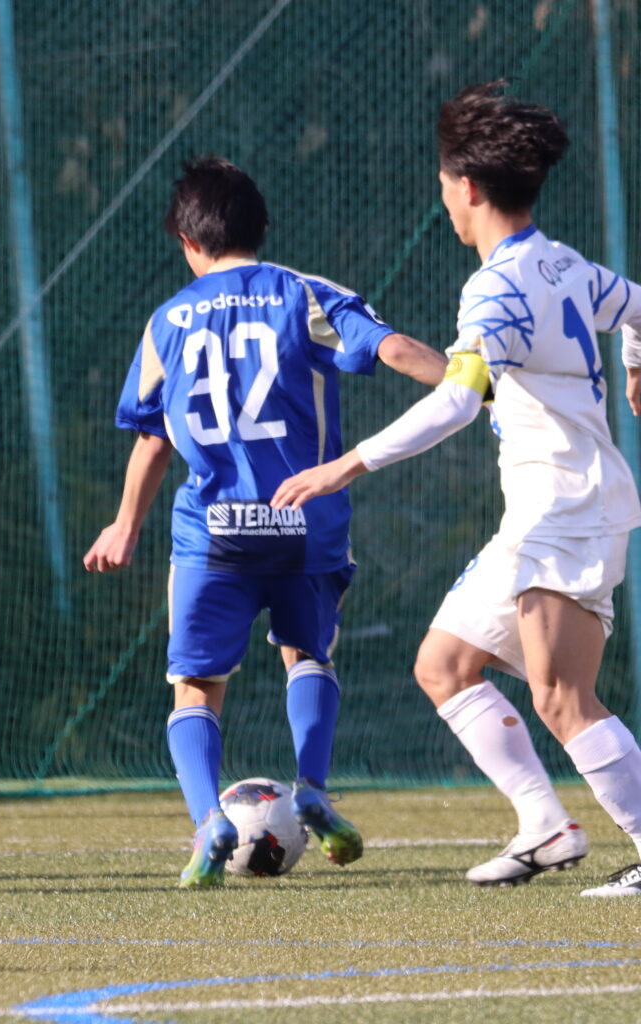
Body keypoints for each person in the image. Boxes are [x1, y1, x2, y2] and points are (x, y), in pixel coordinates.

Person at [273, 81, 641, 897]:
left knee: (562, 697)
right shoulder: (566, 264)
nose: (442, 197)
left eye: (443, 182)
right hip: (543, 514)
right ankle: (546, 827)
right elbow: (640, 310)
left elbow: (457, 401)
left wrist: (345, 464)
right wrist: (636, 364)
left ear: (466, 187)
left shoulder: (498, 286)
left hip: (566, 509)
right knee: (444, 664)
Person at [83, 157, 447, 888]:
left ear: (187, 241)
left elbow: (152, 438)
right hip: (304, 519)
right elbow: (395, 350)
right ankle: (311, 787)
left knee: (196, 683)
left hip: (212, 529)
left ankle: (207, 821)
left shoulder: (167, 322)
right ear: (263, 226)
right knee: (307, 655)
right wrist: (486, 390)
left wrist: (124, 524)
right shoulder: (302, 292)